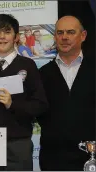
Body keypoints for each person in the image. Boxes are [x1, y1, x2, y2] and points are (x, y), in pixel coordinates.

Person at [0, 14, 48, 171]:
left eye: (7, 32)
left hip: (19, 142)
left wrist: (12, 104)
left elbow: (40, 105)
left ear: (16, 37)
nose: (2, 37)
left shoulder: (28, 65)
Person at [38, 15, 95, 171]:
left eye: (70, 32)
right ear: (55, 36)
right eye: (60, 32)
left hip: (91, 156)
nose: (64, 37)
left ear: (83, 36)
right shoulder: (42, 74)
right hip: (53, 158)